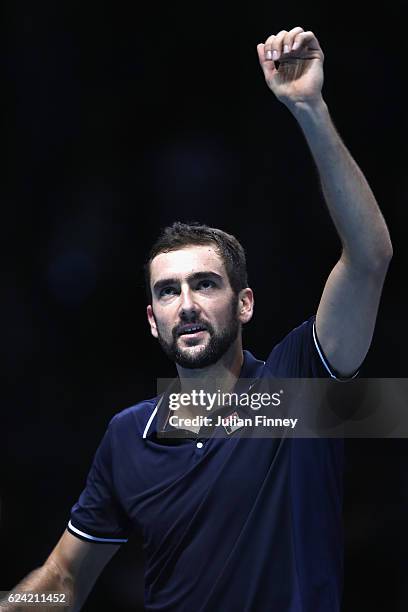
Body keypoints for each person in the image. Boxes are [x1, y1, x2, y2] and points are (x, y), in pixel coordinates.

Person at [1, 26, 392, 612]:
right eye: (167, 292)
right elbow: (61, 580)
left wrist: (310, 108)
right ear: (152, 321)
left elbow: (368, 257)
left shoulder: (299, 391)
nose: (185, 303)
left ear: (245, 303)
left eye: (204, 284)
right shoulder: (126, 436)